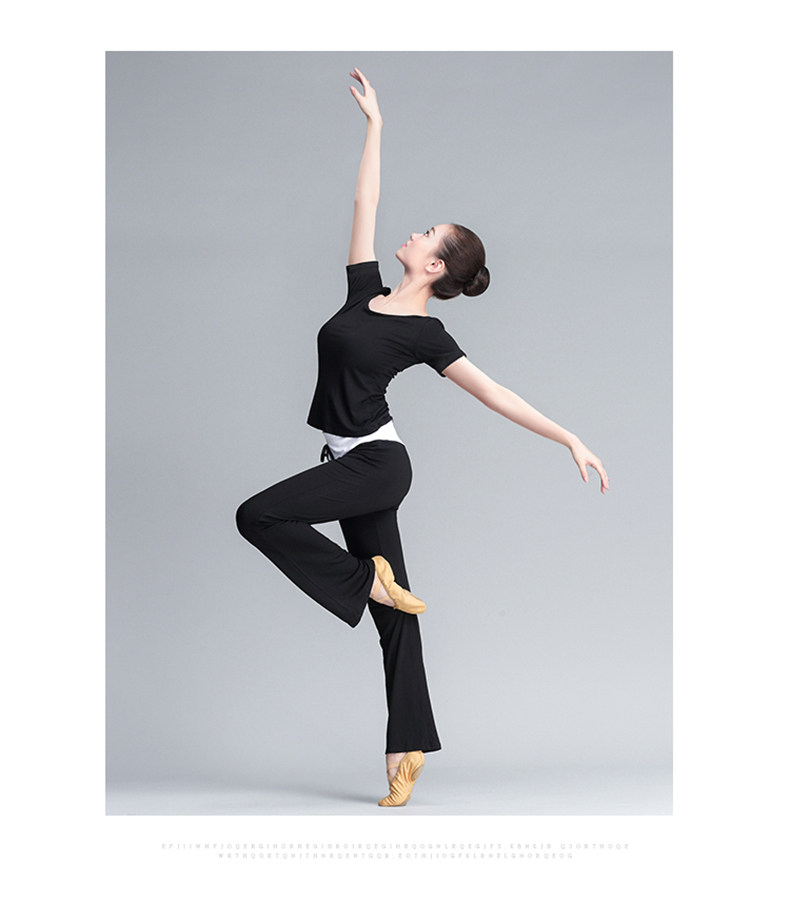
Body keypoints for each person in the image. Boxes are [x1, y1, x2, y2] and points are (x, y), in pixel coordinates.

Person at [235, 67, 609, 808]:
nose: (410, 233)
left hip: (379, 463)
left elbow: (494, 392)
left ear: (435, 266)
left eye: (426, 235)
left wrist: (569, 437)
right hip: (348, 459)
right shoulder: (362, 291)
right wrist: (376, 126)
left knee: (258, 515)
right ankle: (407, 748)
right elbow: (364, 202)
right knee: (396, 613)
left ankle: (366, 582)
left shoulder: (427, 334)